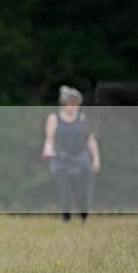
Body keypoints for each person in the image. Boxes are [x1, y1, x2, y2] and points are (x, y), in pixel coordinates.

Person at [41, 86, 101, 221]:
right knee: (65, 193)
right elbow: (49, 139)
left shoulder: (82, 118)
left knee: (81, 193)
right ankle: (66, 220)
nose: (74, 106)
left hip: (80, 160)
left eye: (76, 103)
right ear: (64, 104)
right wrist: (47, 150)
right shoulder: (54, 118)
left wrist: (96, 159)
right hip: (62, 161)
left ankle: (83, 217)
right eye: (71, 103)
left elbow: (90, 140)